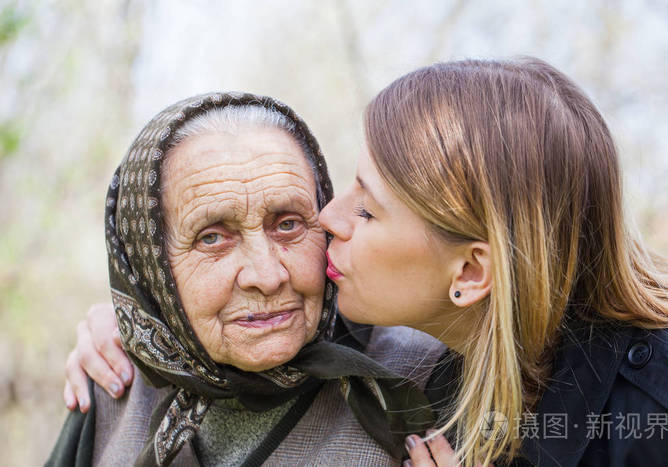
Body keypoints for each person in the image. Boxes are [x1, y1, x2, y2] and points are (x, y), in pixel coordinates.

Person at [64, 58, 668, 466]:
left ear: (473, 274)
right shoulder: (115, 386)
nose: (327, 220)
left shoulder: (413, 392)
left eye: (366, 211)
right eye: (212, 238)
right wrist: (134, 319)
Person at [47, 92, 445, 467]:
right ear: (149, 269)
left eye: (288, 225)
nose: (267, 276)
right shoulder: (112, 383)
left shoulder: (427, 376)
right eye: (213, 238)